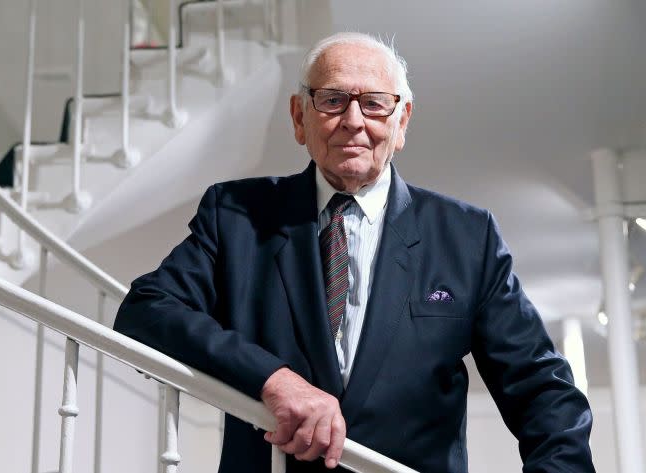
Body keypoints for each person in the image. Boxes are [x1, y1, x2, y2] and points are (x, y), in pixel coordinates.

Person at [114, 32, 595, 473]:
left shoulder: (469, 237)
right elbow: (146, 312)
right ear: (299, 118)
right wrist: (274, 380)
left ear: (402, 120)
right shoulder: (237, 215)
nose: (353, 120)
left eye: (375, 104)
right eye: (332, 100)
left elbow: (543, 393)